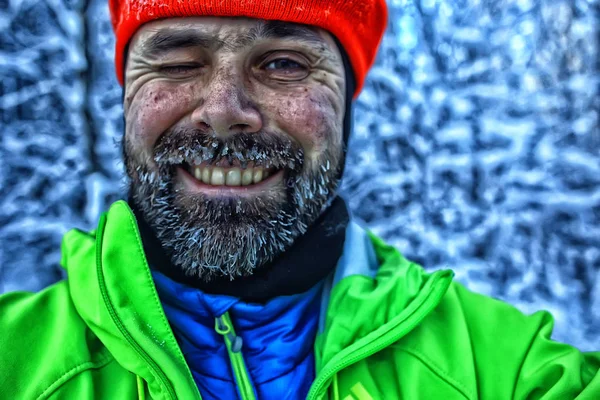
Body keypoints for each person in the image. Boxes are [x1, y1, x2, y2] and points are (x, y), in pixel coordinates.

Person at [1, 0, 598, 398]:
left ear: (347, 111)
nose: (223, 111)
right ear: (126, 97)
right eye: (179, 63)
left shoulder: (508, 371)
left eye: (283, 64)